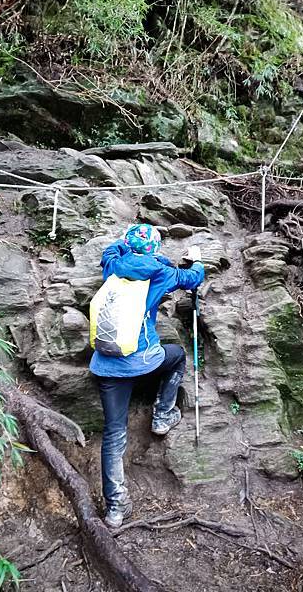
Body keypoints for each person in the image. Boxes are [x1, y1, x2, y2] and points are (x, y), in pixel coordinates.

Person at [90, 223, 205, 528]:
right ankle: (162, 415)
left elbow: (109, 251)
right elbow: (192, 279)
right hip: (141, 359)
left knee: (113, 434)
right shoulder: (160, 272)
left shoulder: (113, 266)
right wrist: (197, 261)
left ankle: (115, 508)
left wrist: (122, 242)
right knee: (176, 356)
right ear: (154, 248)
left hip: (106, 364)